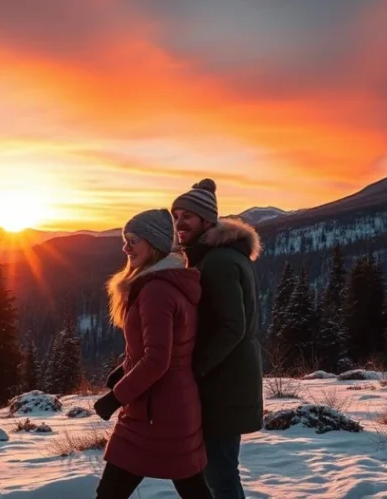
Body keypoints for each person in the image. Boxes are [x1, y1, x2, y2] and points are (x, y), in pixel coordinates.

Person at [93, 209, 212, 499]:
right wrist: (124, 369)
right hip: (166, 409)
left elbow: (158, 360)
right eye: (125, 240)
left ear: (155, 244)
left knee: (110, 493)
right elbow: (160, 347)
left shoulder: (156, 290)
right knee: (192, 489)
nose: (126, 247)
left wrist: (115, 397)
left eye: (133, 240)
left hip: (155, 414)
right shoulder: (163, 283)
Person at [171, 179, 263, 499]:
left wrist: (195, 367)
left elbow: (231, 325)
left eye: (188, 216)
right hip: (227, 377)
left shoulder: (220, 261)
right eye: (176, 215)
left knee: (220, 473)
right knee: (218, 471)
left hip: (224, 381)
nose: (180, 223)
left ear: (207, 221)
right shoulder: (216, 257)